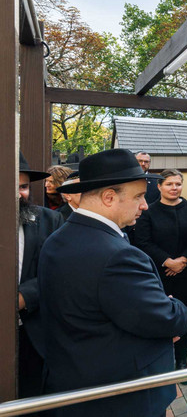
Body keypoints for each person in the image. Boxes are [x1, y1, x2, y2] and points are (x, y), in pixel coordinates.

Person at [39, 149, 187, 417]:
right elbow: (168, 319)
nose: (144, 205)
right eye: (138, 196)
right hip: (122, 396)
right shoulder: (117, 255)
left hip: (78, 388)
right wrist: (175, 307)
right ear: (109, 197)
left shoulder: (57, 239)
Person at [134, 169, 187, 380]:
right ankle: (162, 357)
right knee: (160, 317)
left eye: (178, 184)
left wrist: (183, 260)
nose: (174, 188)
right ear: (160, 187)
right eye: (169, 184)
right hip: (159, 275)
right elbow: (143, 242)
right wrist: (168, 261)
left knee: (184, 315)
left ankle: (181, 359)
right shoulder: (148, 212)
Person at [17, 153, 64, 398]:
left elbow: (60, 271)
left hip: (34, 335)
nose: (18, 194)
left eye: (23, 186)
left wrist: (25, 296)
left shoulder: (50, 220)